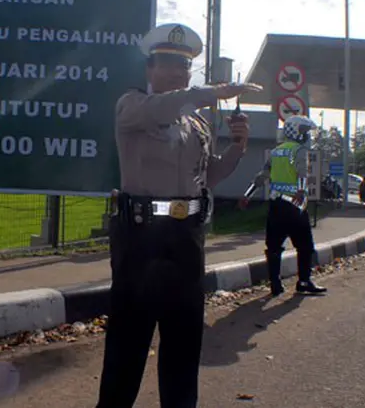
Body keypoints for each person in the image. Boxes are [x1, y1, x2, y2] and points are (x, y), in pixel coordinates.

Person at [95, 23, 262, 408]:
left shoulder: (196, 123)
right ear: (149, 69)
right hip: (140, 238)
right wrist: (212, 93)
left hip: (186, 236)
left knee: (184, 341)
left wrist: (239, 146)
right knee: (128, 344)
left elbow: (210, 176)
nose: (177, 73)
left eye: (184, 67)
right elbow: (166, 106)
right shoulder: (133, 106)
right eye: (168, 64)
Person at [239, 115, 327, 297]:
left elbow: (261, 176)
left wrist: (247, 195)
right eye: (304, 131)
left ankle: (275, 284)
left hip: (275, 204)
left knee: (274, 246)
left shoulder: (275, 152)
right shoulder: (299, 150)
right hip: (294, 204)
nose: (306, 136)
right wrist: (302, 191)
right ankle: (304, 281)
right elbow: (303, 172)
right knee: (305, 246)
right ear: (294, 131)